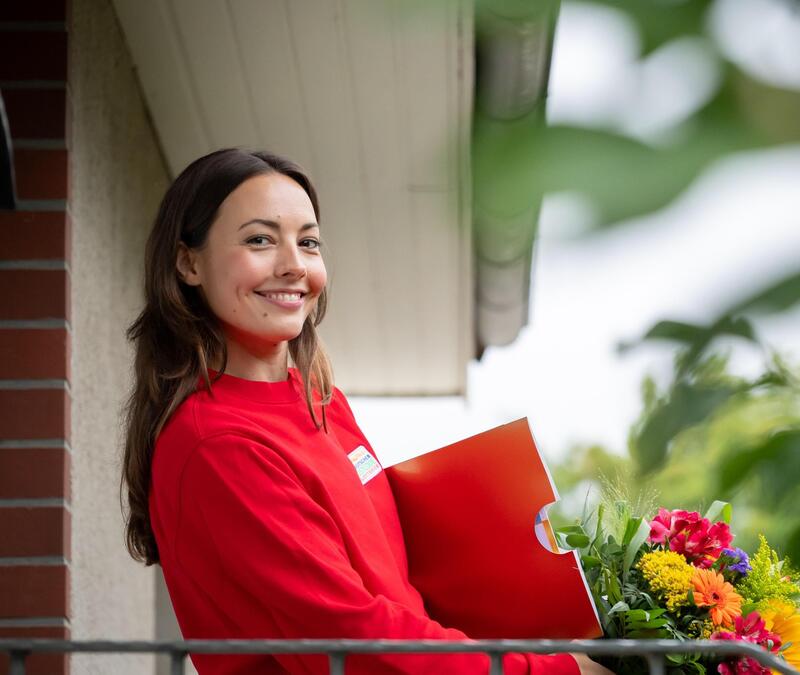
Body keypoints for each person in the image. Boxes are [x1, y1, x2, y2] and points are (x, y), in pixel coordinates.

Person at [121, 148, 612, 674]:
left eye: (308, 243)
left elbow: (397, 574)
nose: (294, 265)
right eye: (259, 240)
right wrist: (552, 671)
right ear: (188, 262)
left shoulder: (318, 400)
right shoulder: (219, 445)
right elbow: (349, 639)